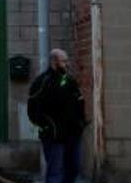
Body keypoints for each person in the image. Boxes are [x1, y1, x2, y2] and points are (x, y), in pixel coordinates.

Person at [28, 49, 87, 183]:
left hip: (73, 134)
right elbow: (33, 110)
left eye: (67, 61)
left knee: (73, 169)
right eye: (64, 61)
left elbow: (79, 102)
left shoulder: (70, 81)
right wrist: (48, 127)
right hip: (54, 137)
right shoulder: (42, 82)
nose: (67, 64)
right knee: (56, 173)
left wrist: (80, 123)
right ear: (54, 62)